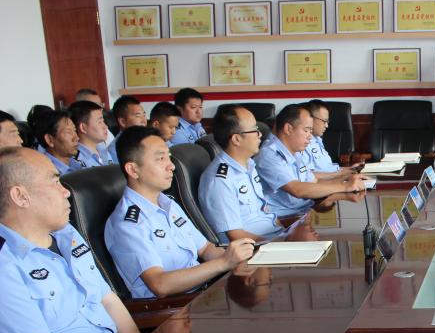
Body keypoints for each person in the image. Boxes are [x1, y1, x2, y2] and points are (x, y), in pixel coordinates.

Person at [0, 147, 141, 333]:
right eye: (55, 181)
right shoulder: (5, 265)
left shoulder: (66, 233)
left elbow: (108, 300)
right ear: (21, 196)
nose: (66, 192)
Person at [105, 126, 255, 299]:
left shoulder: (167, 203)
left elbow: (206, 249)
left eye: (168, 157)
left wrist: (244, 260)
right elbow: (160, 284)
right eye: (160, 159)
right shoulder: (127, 224)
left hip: (205, 291)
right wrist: (224, 262)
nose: (171, 166)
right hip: (175, 305)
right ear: (133, 170)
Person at [254, 103, 364, 217]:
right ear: (288, 129)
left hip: (304, 210)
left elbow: (312, 181)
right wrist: (345, 186)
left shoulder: (294, 151)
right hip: (284, 219)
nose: (310, 136)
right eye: (306, 130)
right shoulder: (269, 155)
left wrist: (346, 181)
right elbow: (297, 189)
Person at [198, 104, 282, 242]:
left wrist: (288, 234)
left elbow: (265, 213)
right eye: (255, 130)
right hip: (258, 248)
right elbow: (236, 236)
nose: (260, 135)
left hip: (275, 237)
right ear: (236, 139)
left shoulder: (249, 165)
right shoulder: (220, 180)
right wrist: (281, 243)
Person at [32, 109, 84, 175]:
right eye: (68, 132)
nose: (77, 138)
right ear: (49, 140)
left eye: (74, 130)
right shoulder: (44, 173)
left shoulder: (77, 165)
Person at [68, 100, 113, 168]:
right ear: (83, 128)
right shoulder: (76, 160)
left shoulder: (104, 151)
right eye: (99, 122)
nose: (106, 127)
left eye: (103, 121)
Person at [108, 95, 147, 163]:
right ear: (122, 122)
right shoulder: (114, 150)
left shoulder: (148, 140)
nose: (144, 121)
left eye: (144, 115)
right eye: (138, 116)